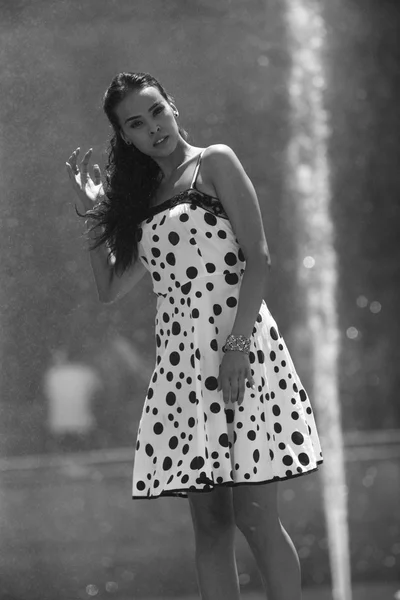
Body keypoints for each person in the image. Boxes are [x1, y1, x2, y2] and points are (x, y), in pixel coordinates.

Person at [66, 71, 323, 600]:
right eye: (136, 124)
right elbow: (111, 288)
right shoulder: (140, 201)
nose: (153, 127)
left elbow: (260, 259)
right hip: (185, 370)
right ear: (126, 137)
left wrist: (236, 348)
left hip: (241, 355)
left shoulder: (215, 162)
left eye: (156, 110)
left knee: (256, 519)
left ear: (172, 105)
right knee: (209, 526)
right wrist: (96, 210)